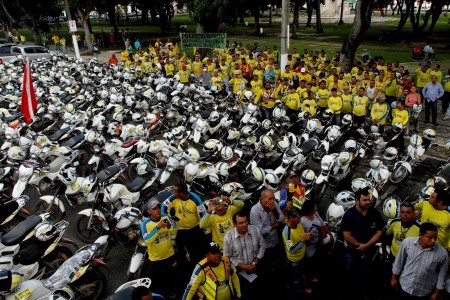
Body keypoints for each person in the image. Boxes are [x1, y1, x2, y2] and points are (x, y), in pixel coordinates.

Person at [341, 187, 384, 299]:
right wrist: (360, 247)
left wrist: (366, 246)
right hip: (351, 249)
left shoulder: (374, 214)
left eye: (369, 199)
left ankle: (362, 291)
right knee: (349, 268)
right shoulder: (349, 215)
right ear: (357, 200)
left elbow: (379, 232)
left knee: (364, 271)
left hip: (368, 248)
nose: (368, 202)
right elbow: (347, 236)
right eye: (365, 200)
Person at [391, 222, 448, 300]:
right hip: (404, 286)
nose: (433, 241)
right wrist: (394, 277)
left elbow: (442, 275)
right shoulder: (408, 243)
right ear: (421, 235)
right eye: (430, 237)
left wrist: (437, 293)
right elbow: (399, 261)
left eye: (435, 237)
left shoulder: (442, 253)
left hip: (424, 292)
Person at [164, 183, 207, 272]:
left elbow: (203, 215)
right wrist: (168, 219)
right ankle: (182, 268)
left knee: (196, 251)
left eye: (175, 192)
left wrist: (204, 231)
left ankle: (198, 269)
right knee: (180, 251)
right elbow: (163, 207)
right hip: (180, 231)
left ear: (182, 194)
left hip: (194, 230)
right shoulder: (173, 198)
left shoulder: (196, 200)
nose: (173, 193)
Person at [223, 211, 266, 300]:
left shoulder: (255, 230)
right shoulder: (228, 237)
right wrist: (244, 267)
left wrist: (255, 261)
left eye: (246, 221)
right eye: (241, 223)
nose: (245, 224)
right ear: (235, 224)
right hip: (239, 271)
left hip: (256, 266)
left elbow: (262, 245)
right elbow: (227, 257)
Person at [141, 199, 177, 298]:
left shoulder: (166, 217)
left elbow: (174, 232)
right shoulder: (145, 224)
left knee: (170, 276)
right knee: (155, 279)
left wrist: (169, 226)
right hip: (155, 259)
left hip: (169, 255)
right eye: (154, 208)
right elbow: (147, 240)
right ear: (149, 211)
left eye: (158, 207)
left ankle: (171, 291)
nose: (157, 210)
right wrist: (157, 228)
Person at [299, 201, 333, 294]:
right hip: (309, 247)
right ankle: (307, 283)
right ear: (310, 210)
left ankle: (312, 276)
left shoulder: (316, 214)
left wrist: (330, 235)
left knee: (316, 263)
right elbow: (300, 236)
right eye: (314, 207)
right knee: (308, 266)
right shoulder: (302, 221)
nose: (316, 208)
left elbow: (323, 225)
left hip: (318, 243)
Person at [249, 189, 284, 271]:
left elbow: (282, 220)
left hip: (276, 240)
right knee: (267, 266)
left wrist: (274, 210)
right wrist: (273, 225)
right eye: (269, 199)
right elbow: (260, 232)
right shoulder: (254, 211)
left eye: (273, 198)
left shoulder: (274, 204)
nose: (272, 201)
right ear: (261, 199)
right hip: (265, 245)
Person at [282, 208, 310, 298]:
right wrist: (302, 241)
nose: (300, 220)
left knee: (301, 274)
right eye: (298, 218)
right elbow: (291, 249)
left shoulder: (299, 225)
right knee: (295, 279)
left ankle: (301, 286)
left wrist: (307, 236)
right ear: (291, 218)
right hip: (295, 261)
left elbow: (301, 236)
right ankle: (295, 293)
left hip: (302, 256)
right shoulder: (287, 232)